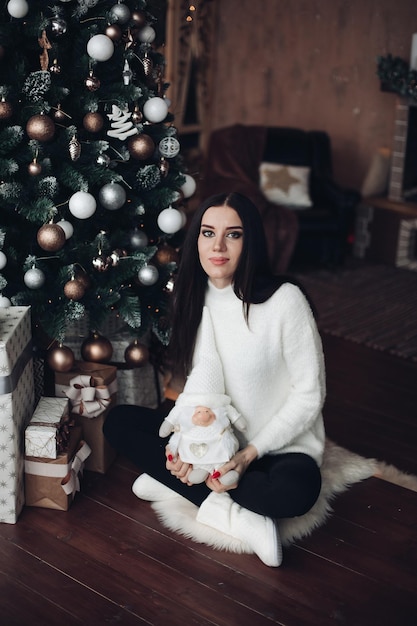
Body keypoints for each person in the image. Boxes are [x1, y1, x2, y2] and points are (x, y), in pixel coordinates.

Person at [103, 191, 326, 568]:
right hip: (215, 443)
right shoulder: (195, 296)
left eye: (233, 235)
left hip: (275, 448)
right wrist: (180, 447)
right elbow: (200, 390)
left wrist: (246, 455)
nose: (218, 245)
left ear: (250, 241)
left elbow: (309, 396)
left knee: (295, 494)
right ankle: (233, 514)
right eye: (208, 233)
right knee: (118, 421)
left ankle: (181, 486)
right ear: (196, 240)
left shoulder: (285, 301)